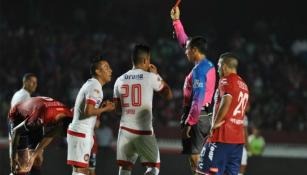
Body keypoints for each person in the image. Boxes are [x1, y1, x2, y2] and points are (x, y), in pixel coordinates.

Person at [113, 44, 173, 175]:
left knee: (125, 168)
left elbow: (117, 109)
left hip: (124, 131)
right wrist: (157, 75)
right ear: (146, 60)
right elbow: (168, 95)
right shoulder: (150, 77)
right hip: (143, 131)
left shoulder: (119, 80)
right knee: (153, 167)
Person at [170, 6, 216, 174]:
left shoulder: (198, 71)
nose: (185, 52)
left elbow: (198, 100)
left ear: (195, 51)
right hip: (206, 115)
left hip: (197, 117)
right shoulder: (207, 65)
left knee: (195, 160)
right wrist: (176, 21)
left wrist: (189, 122)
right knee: (203, 159)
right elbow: (185, 41)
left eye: (188, 50)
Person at [196, 53, 250, 175]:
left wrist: (214, 124)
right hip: (237, 142)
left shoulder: (226, 80)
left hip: (221, 137)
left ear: (224, 66)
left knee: (202, 173)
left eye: (219, 66)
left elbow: (227, 100)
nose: (218, 69)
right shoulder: (244, 86)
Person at [67, 56, 115, 175]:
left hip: (82, 132)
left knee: (82, 170)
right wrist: (106, 109)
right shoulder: (95, 86)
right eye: (106, 68)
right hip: (81, 133)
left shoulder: (92, 85)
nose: (111, 70)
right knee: (80, 171)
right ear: (98, 71)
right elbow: (88, 111)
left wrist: (101, 107)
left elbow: (95, 121)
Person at [8, 96, 73, 175]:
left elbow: (51, 134)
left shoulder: (69, 115)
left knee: (37, 159)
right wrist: (13, 156)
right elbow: (16, 131)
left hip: (36, 114)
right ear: (60, 124)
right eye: (61, 134)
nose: (59, 136)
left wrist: (33, 155)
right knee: (22, 164)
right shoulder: (40, 118)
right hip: (18, 116)